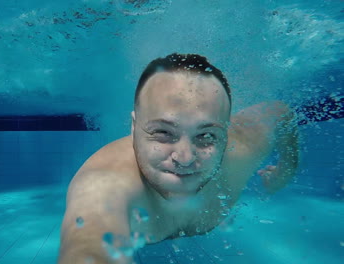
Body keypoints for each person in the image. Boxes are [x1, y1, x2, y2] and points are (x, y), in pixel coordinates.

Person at [58, 53, 299, 264]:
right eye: (163, 132)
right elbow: (87, 248)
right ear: (133, 128)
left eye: (206, 135)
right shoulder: (103, 184)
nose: (184, 158)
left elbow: (281, 113)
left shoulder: (242, 150)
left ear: (226, 137)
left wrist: (285, 170)